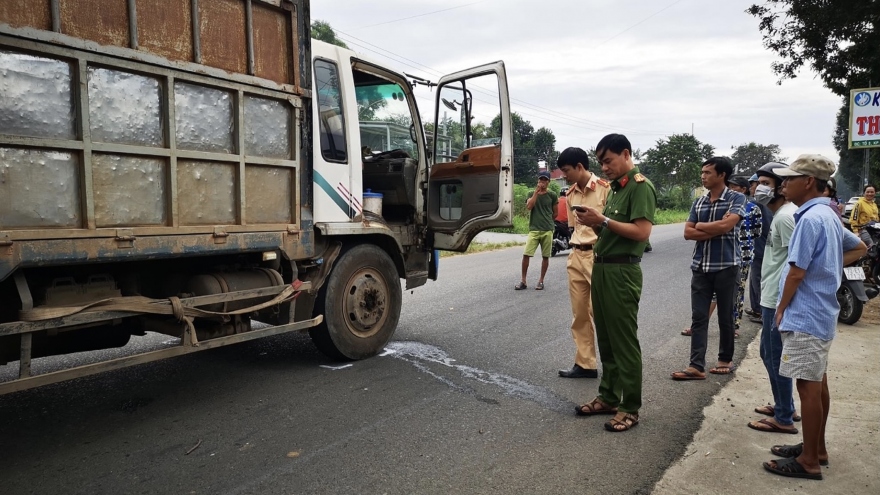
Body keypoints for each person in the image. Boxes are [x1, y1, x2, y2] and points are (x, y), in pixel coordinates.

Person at [763, 155, 866, 481]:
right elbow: (858, 246)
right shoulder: (828, 213)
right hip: (820, 311)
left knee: (807, 387)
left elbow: (796, 272)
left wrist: (781, 308)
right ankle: (816, 448)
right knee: (817, 382)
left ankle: (808, 460)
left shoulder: (810, 219)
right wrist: (828, 267)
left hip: (805, 313)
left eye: (790, 178)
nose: (783, 184)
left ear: (808, 181)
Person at [571, 134, 655, 433]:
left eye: (608, 161)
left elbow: (641, 232)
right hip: (603, 269)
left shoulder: (639, 187)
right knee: (605, 339)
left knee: (623, 342)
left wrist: (603, 221)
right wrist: (596, 221)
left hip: (622, 273)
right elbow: (615, 227)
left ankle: (629, 407)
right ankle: (608, 397)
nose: (604, 167)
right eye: (601, 162)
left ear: (626, 154)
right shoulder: (617, 190)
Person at [672, 157, 746, 380]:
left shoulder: (737, 198)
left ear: (722, 175)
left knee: (725, 315)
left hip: (726, 265)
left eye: (707, 172)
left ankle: (725, 359)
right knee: (699, 317)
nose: (703, 176)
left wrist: (702, 226)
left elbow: (727, 225)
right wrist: (717, 228)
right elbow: (688, 233)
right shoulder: (699, 202)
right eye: (702, 172)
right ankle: (696, 366)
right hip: (700, 266)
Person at [747, 162, 801, 435]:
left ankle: (783, 417)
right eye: (756, 182)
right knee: (769, 354)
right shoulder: (780, 214)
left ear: (782, 186)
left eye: (764, 182)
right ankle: (785, 406)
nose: (757, 187)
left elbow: (797, 263)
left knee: (774, 355)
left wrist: (783, 304)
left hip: (775, 299)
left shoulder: (785, 217)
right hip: (770, 296)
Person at [555, 147, 610, 379]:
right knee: (579, 314)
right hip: (576, 255)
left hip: (598, 256)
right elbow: (573, 227)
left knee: (603, 314)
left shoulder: (605, 190)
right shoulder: (570, 195)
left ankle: (613, 366)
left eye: (566, 171)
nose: (564, 175)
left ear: (580, 167)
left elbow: (611, 224)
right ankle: (585, 364)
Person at [727, 176, 761, 334]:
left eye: (735, 186)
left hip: (744, 255)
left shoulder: (753, 208)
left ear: (744, 189)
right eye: (730, 186)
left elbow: (756, 232)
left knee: (738, 291)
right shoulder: (725, 205)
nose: (731, 189)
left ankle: (734, 325)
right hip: (726, 253)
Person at [515, 171, 557, 290]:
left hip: (547, 229)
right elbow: (529, 207)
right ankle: (523, 281)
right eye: (540, 180)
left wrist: (548, 221)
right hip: (534, 229)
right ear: (537, 181)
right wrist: (536, 193)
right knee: (526, 254)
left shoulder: (552, 195)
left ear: (548, 182)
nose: (542, 182)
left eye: (544, 180)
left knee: (545, 256)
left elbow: (556, 213)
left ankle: (541, 281)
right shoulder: (530, 193)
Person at [746, 173, 772, 323]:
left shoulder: (760, 204)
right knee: (754, 279)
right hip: (759, 248)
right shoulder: (759, 203)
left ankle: (762, 312)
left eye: (753, 184)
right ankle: (757, 308)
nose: (752, 187)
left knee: (758, 279)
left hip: (760, 248)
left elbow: (764, 228)